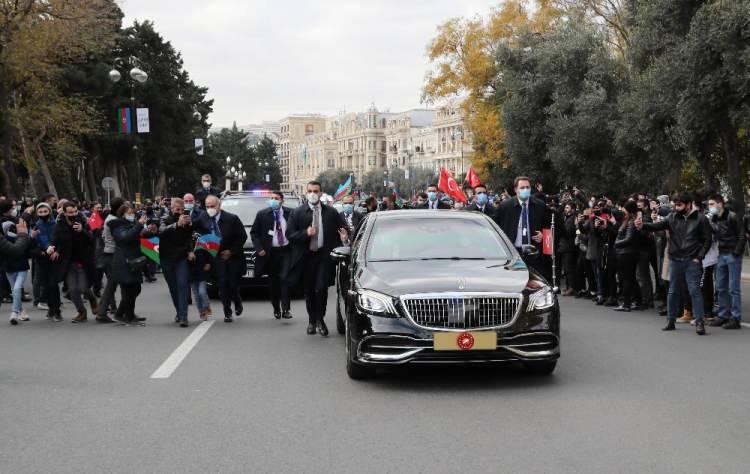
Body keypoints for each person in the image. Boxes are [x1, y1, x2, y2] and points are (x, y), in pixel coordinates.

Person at [636, 193, 712, 334]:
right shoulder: (672, 217)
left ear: (688, 204)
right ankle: (671, 320)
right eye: (675, 205)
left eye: (679, 205)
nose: (677, 208)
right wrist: (643, 225)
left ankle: (700, 322)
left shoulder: (701, 219)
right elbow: (657, 226)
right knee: (672, 291)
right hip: (675, 259)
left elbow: (707, 239)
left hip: (692, 261)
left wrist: (699, 256)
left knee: (694, 291)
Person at [286, 181, 348, 336]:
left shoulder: (331, 213)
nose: (312, 194)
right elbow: (290, 235)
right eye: (310, 191)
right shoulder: (297, 213)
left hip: (323, 256)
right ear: (306, 193)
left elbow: (343, 229)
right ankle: (311, 321)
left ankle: (320, 320)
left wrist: (344, 237)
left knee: (321, 288)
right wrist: (305, 233)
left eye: (315, 191)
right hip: (306, 257)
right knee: (309, 290)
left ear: (321, 193)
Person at [48, 202, 99, 323]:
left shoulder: (83, 222)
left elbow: (92, 239)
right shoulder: (59, 225)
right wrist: (52, 248)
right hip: (68, 262)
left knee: (84, 288)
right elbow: (55, 239)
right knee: (73, 290)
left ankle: (92, 299)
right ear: (65, 213)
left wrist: (82, 231)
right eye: (70, 212)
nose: (73, 214)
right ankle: (82, 312)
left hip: (83, 261)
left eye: (75, 211)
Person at [250, 191, 293, 320]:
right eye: (272, 198)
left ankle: (286, 309)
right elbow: (254, 233)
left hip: (286, 250)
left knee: (285, 278)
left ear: (282, 200)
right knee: (274, 282)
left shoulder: (290, 213)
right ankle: (276, 308)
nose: (273, 200)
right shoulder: (262, 214)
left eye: (276, 198)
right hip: (270, 253)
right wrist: (259, 248)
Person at [204, 195, 247, 322]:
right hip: (217, 257)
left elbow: (242, 236)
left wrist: (231, 251)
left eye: (212, 206)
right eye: (207, 206)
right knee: (223, 285)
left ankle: (237, 301)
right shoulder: (204, 220)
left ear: (219, 205)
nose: (210, 209)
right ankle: (227, 312)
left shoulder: (232, 218)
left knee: (233, 285)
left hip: (233, 257)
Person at [494, 176, 549, 275]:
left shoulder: (539, 205)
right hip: (513, 253)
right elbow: (496, 227)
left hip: (534, 253)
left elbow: (548, 226)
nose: (525, 190)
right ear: (515, 189)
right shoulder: (505, 206)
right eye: (522, 188)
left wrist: (543, 235)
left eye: (528, 187)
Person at [707, 194, 744, 329]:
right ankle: (723, 315)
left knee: (733, 288)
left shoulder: (732, 216)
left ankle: (735, 318)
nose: (710, 207)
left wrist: (736, 252)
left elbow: (741, 235)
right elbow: (716, 233)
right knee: (721, 287)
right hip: (721, 254)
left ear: (720, 204)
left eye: (712, 204)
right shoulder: (715, 218)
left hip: (732, 255)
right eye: (709, 205)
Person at [109, 204, 147, 326]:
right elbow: (126, 237)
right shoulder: (117, 225)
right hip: (124, 262)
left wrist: (145, 230)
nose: (132, 215)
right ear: (122, 214)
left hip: (133, 261)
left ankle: (120, 314)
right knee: (128, 290)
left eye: (133, 213)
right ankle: (128, 317)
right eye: (129, 213)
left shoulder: (130, 224)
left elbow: (134, 236)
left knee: (135, 288)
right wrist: (139, 225)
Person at [159, 198, 194, 327]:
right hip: (166, 258)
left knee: (182, 285)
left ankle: (184, 316)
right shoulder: (164, 218)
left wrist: (190, 251)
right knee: (173, 288)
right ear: (172, 208)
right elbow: (162, 231)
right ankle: (179, 312)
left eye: (182, 209)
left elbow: (189, 238)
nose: (179, 212)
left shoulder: (186, 220)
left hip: (181, 258)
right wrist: (177, 224)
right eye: (177, 209)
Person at [1, 200, 31, 325]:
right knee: (15, 290)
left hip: (20, 263)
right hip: (9, 263)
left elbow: (26, 239)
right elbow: (19, 243)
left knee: (17, 288)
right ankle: (21, 310)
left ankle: (14, 312)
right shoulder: (12, 224)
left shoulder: (17, 221)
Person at [95, 197, 124, 323]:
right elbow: (121, 238)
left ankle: (103, 310)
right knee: (113, 284)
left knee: (113, 284)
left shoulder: (112, 219)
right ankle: (102, 312)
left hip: (110, 254)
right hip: (112, 255)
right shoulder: (113, 221)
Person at [613, 201, 640, 312]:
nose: (622, 210)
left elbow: (629, 239)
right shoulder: (628, 221)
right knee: (630, 278)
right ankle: (637, 301)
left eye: (624, 209)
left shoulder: (631, 222)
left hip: (627, 253)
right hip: (625, 252)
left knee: (627, 279)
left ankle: (627, 303)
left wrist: (617, 243)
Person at [558, 202, 578, 296]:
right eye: (565, 207)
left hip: (569, 247)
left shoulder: (573, 218)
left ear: (572, 209)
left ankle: (572, 287)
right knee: (566, 269)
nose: (565, 209)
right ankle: (567, 286)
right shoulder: (566, 217)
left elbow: (569, 232)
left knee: (569, 268)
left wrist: (561, 228)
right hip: (564, 246)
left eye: (567, 207)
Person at [189, 245, 213, 321]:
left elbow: (210, 258)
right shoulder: (187, 251)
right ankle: (202, 312)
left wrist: (209, 264)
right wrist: (189, 258)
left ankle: (206, 307)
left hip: (202, 275)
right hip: (192, 276)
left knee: (202, 292)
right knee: (197, 296)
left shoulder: (202, 249)